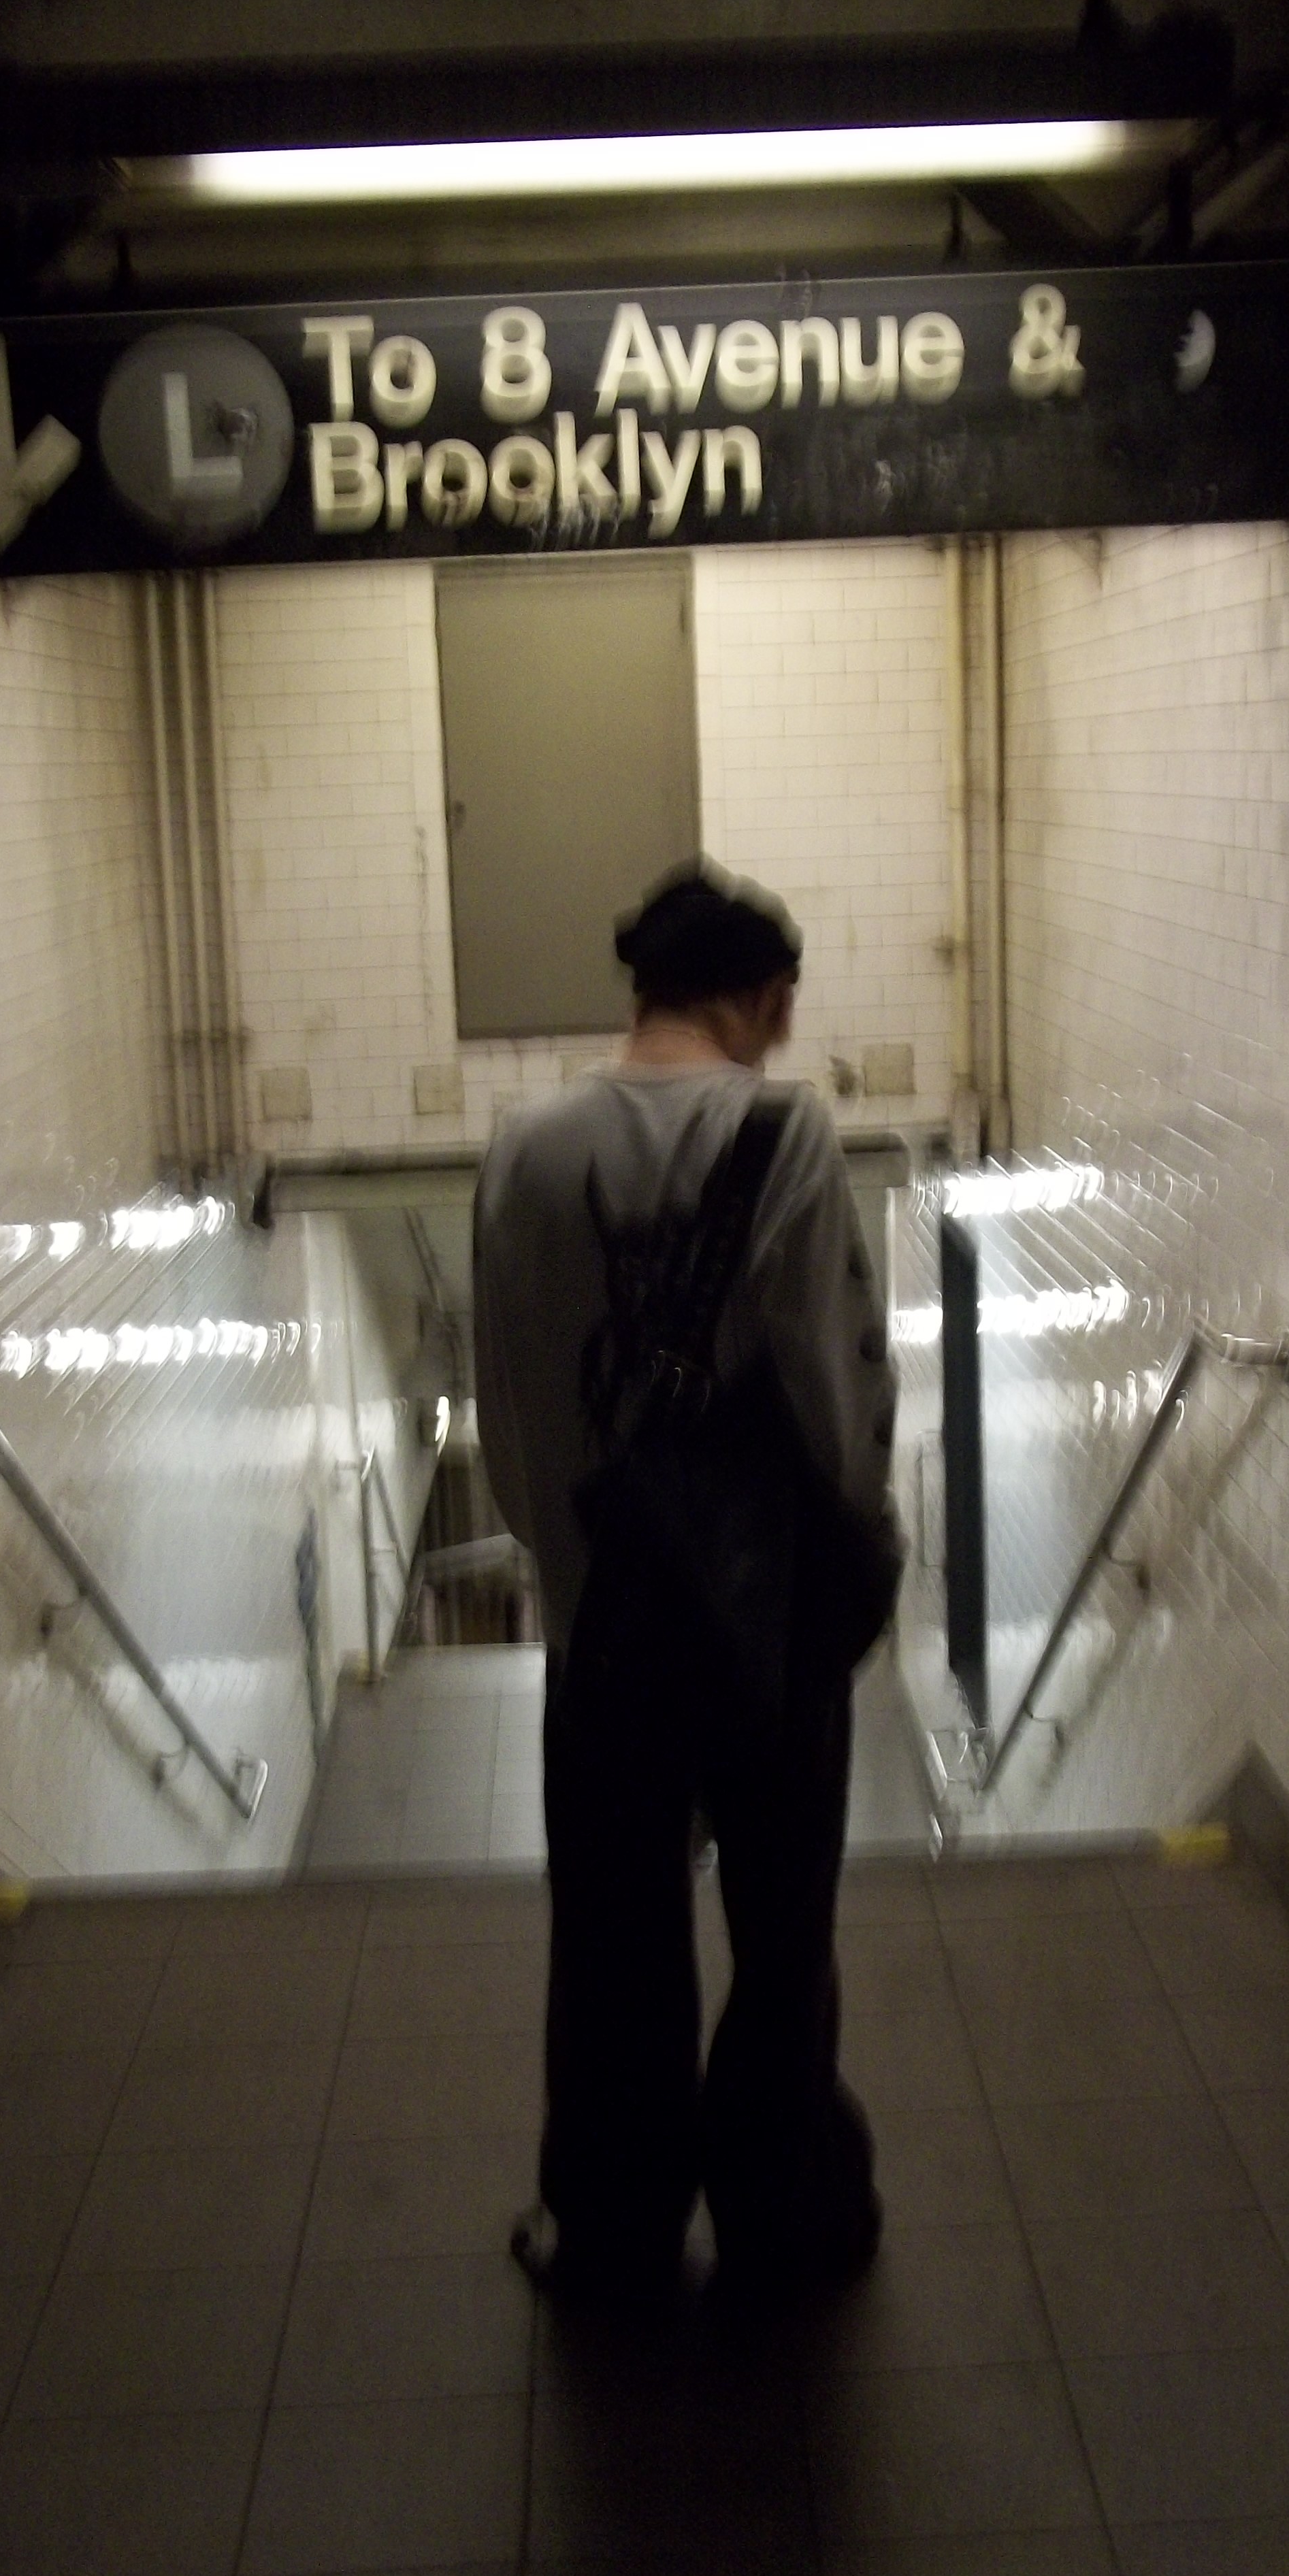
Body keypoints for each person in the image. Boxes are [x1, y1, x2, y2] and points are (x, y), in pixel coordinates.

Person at [473, 858, 904, 2298]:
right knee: (782, 1935)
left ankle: (614, 2229)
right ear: (764, 997)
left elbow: (507, 1397)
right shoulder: (786, 1135)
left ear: (644, 990)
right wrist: (853, 1548)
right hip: (763, 1614)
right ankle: (784, 2212)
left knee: (612, 1939)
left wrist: (569, 1568)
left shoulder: (523, 1151)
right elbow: (833, 1379)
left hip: (606, 1619)